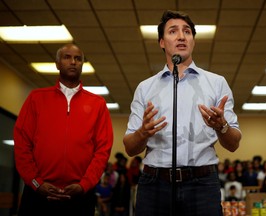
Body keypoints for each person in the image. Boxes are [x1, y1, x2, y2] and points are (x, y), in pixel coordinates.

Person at [123, 10, 242, 216]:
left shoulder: (216, 83)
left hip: (202, 184)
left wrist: (221, 126)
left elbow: (233, 144)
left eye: (187, 32)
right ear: (162, 42)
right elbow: (130, 148)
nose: (181, 36)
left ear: (193, 41)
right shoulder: (145, 87)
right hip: (154, 185)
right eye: (173, 31)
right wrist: (143, 133)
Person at [14, 44, 114, 216]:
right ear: (57, 63)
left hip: (80, 196)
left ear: (82, 64)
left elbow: (103, 151)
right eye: (67, 57)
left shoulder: (97, 104)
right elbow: (22, 145)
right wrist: (37, 183)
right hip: (37, 193)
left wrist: (84, 185)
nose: (73, 62)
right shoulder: (36, 99)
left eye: (78, 58)